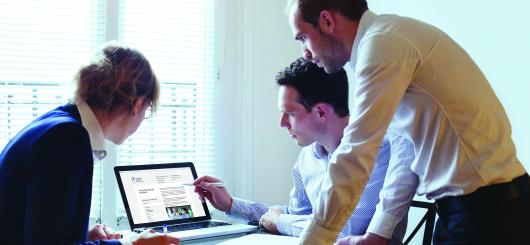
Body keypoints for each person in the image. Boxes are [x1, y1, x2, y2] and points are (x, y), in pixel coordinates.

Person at [285, 0, 530, 244]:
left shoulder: (382, 45)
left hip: (488, 215)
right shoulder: (387, 40)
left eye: (303, 37)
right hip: (475, 211)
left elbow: (355, 154)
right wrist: (377, 234)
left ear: (327, 21)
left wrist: (315, 240)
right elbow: (405, 149)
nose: (305, 53)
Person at [193, 58, 414, 244]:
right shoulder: (308, 158)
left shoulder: (380, 151)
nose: (281, 123)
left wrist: (280, 221)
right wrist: (231, 204)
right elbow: (298, 217)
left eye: (289, 114)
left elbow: (343, 232)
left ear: (320, 112)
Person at [0, 44, 180, 245]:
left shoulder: (58, 123)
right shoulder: (67, 138)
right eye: (146, 111)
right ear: (137, 104)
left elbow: (36, 225)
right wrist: (130, 244)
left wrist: (82, 235)